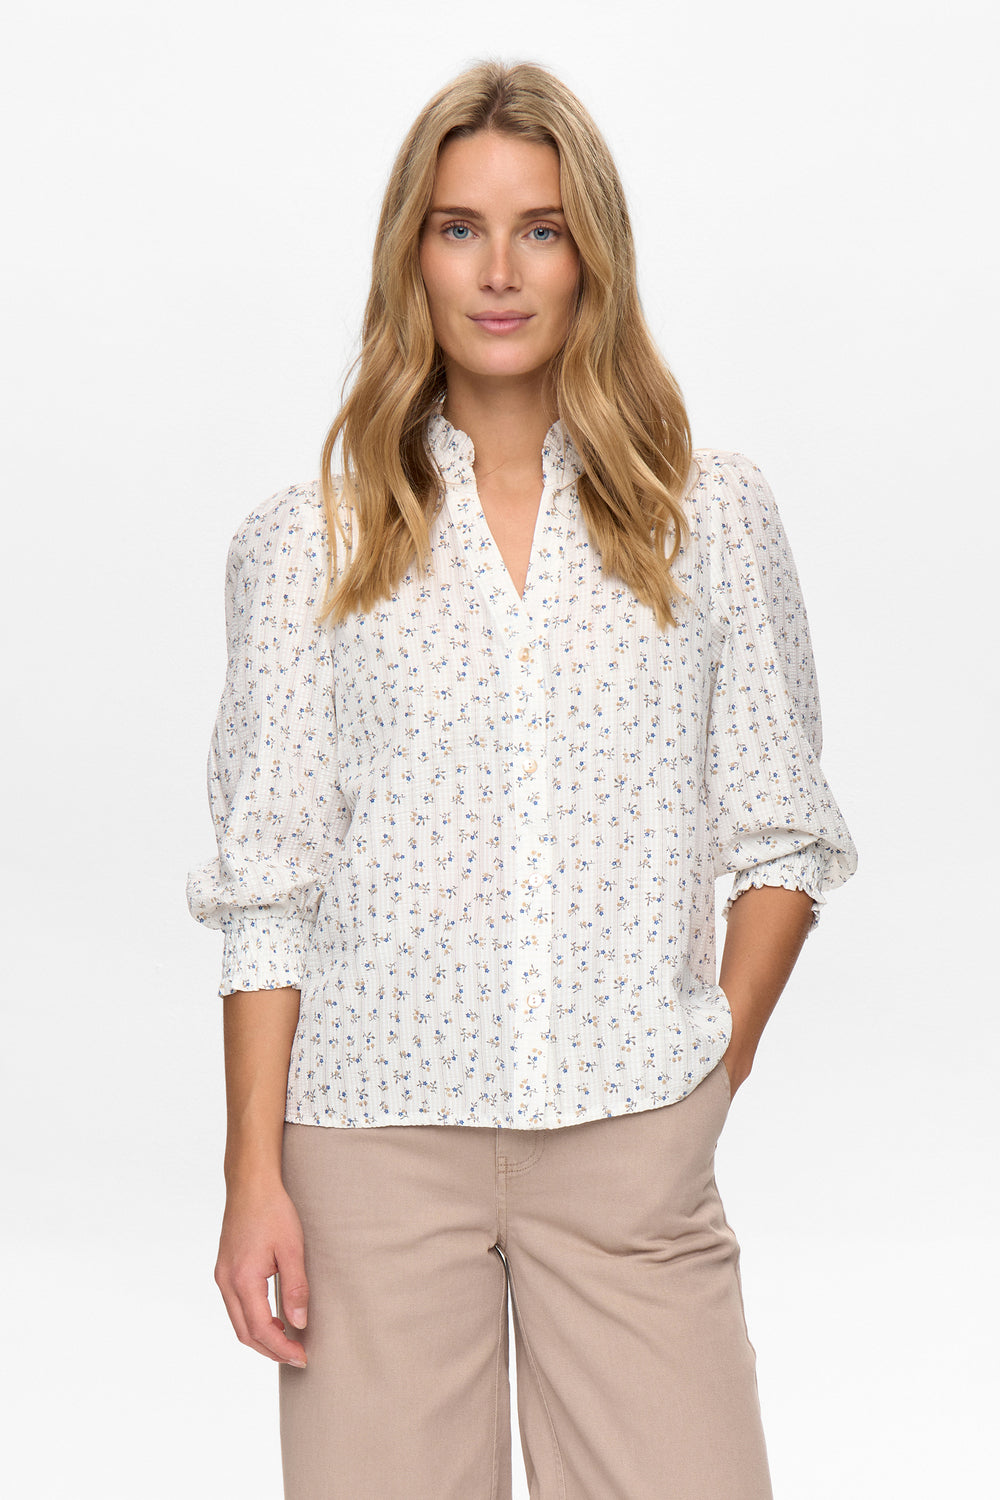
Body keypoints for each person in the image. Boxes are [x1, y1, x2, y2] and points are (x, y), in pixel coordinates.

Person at [187, 58, 857, 1500]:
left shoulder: (707, 518)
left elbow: (785, 837)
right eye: (460, 229)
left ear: (590, 257)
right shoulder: (308, 544)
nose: (499, 271)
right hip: (371, 1148)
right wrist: (253, 1179)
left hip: (633, 1147)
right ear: (412, 257)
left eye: (540, 229)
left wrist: (706, 1076)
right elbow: (267, 889)